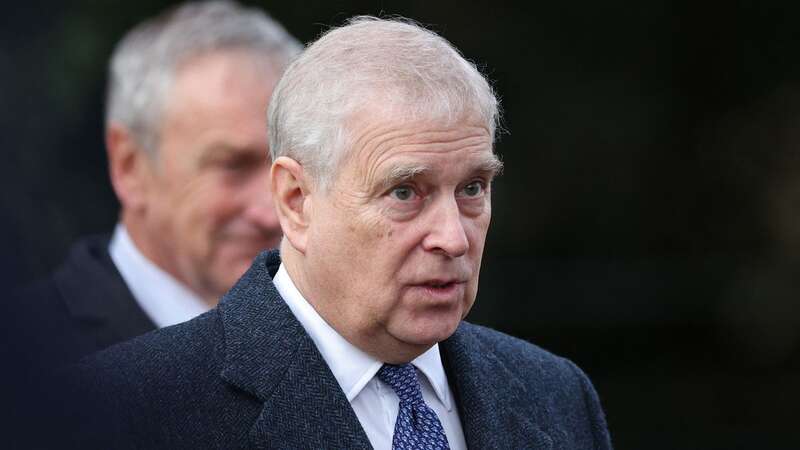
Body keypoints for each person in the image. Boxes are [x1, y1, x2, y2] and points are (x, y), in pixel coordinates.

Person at [69, 16, 613, 449]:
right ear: (296, 200)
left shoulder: (556, 394)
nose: (453, 237)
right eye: (405, 192)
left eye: (472, 188)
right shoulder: (124, 410)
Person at [10, 0, 302, 368]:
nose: (272, 212)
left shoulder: (343, 347)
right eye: (232, 166)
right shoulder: (22, 362)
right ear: (129, 167)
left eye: (291, 171)